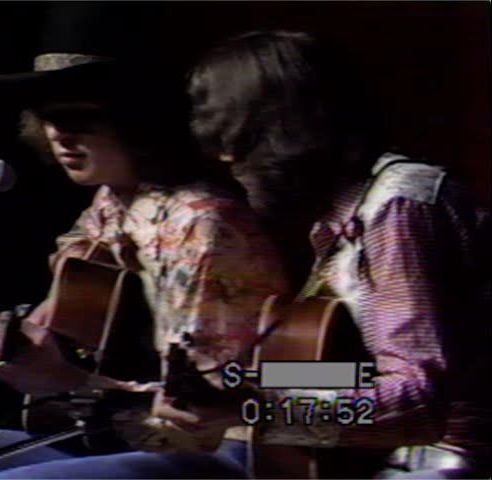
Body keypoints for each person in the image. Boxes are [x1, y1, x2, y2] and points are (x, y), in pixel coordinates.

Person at [0, 34, 292, 480]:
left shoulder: (203, 223)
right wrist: (20, 344)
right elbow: (73, 303)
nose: (58, 134)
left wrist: (70, 381)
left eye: (80, 118)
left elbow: (213, 398)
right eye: (47, 117)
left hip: (213, 447)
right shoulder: (112, 203)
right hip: (115, 428)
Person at [183, 30, 491, 478]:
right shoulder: (347, 217)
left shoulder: (399, 208)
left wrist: (255, 411)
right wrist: (234, 386)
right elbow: (365, 377)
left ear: (276, 131)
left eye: (233, 137)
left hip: (445, 461)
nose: (226, 158)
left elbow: (421, 401)